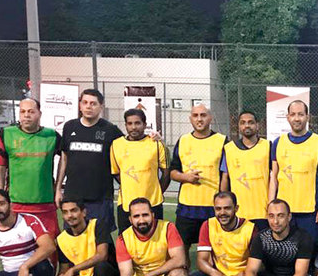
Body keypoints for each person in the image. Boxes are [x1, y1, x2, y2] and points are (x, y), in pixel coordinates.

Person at [0, 97, 61, 248]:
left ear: (39, 114)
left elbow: (67, 157)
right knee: (19, 250)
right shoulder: (7, 134)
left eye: (31, 112)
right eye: (22, 112)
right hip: (16, 205)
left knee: (50, 249)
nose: (26, 115)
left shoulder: (52, 136)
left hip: (45, 205)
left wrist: (58, 187)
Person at [34, 199, 115, 276]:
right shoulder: (62, 239)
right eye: (65, 212)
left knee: (101, 267)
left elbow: (102, 255)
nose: (70, 215)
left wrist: (73, 270)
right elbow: (64, 269)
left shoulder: (97, 225)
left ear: (84, 212)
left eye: (73, 210)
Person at [56, 89, 124, 232]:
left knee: (101, 239)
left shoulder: (110, 130)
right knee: (74, 238)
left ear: (101, 107)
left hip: (100, 198)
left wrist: (153, 138)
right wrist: (58, 189)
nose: (88, 106)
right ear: (80, 105)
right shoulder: (69, 127)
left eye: (93, 103)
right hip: (73, 197)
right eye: (85, 102)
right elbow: (64, 159)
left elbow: (130, 146)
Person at [170, 104, 228, 267]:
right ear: (190, 119)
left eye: (203, 115)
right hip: (187, 207)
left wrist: (223, 200)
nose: (199, 119)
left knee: (216, 251)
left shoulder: (222, 141)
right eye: (195, 115)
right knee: (182, 252)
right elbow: (173, 171)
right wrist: (185, 177)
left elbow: (226, 173)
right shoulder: (183, 141)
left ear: (210, 118)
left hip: (213, 207)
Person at [188, 191, 257, 276]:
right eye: (218, 209)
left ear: (236, 208)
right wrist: (215, 274)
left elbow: (260, 264)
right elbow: (201, 260)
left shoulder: (250, 229)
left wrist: (242, 274)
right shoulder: (208, 225)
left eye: (227, 208)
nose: (222, 213)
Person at [270, 100, 318, 248]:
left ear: (307, 117)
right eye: (293, 114)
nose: (297, 118)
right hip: (284, 211)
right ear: (288, 117)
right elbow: (274, 178)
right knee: (284, 252)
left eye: (301, 114)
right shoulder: (278, 142)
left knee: (310, 251)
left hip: (309, 211)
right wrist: (271, 206)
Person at [110, 109, 170, 233]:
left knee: (156, 239)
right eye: (130, 123)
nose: (133, 127)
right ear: (125, 125)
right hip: (126, 204)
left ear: (144, 124)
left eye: (137, 123)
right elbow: (116, 173)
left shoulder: (156, 144)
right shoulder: (116, 145)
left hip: (153, 203)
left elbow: (166, 173)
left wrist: (157, 191)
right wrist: (129, 185)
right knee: (126, 241)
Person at [220, 111, 272, 232]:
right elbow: (225, 178)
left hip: (263, 212)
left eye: (250, 122)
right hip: (239, 213)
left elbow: (274, 177)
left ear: (257, 125)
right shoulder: (229, 149)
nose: (247, 125)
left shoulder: (267, 146)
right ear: (238, 126)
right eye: (243, 123)